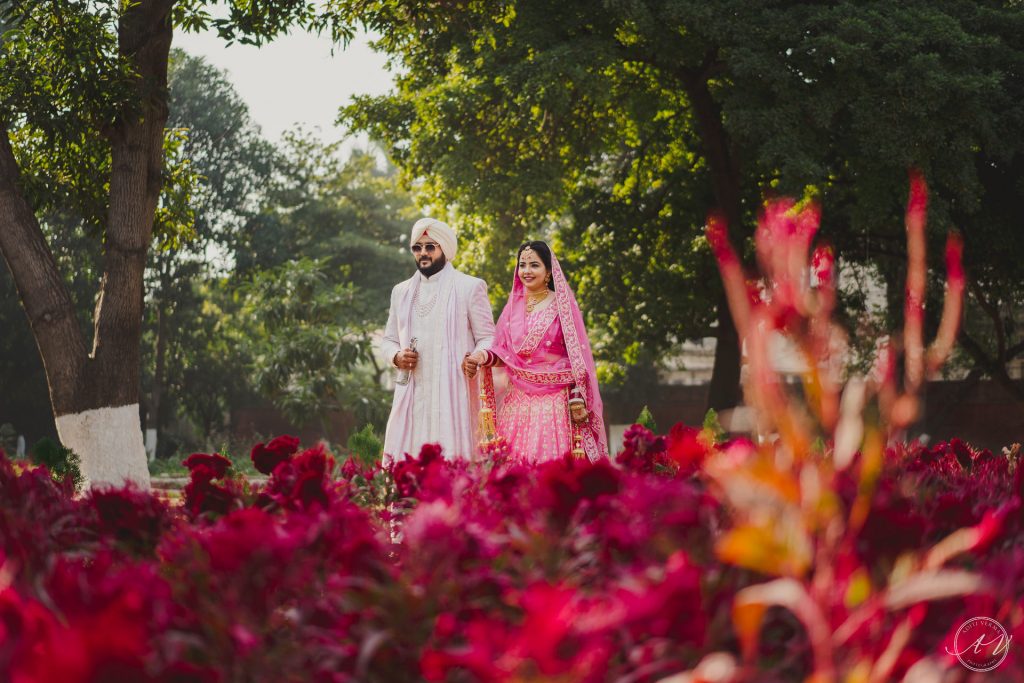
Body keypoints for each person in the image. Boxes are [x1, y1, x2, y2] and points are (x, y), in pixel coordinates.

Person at [462, 241, 608, 461]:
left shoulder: (562, 306)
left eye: (534, 265)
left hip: (554, 402)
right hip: (517, 402)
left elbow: (578, 358)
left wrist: (578, 394)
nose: (526, 271)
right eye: (522, 265)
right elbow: (503, 353)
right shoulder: (512, 307)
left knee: (548, 466)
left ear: (548, 271)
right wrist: (482, 356)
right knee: (512, 469)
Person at [380, 218, 496, 463]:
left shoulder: (470, 287)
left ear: (444, 248)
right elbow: (388, 340)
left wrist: (476, 357)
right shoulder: (400, 292)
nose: (423, 253)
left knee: (452, 469)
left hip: (453, 393)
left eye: (430, 247)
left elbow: (488, 338)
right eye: (417, 248)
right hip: (412, 391)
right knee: (406, 468)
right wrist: (396, 356)